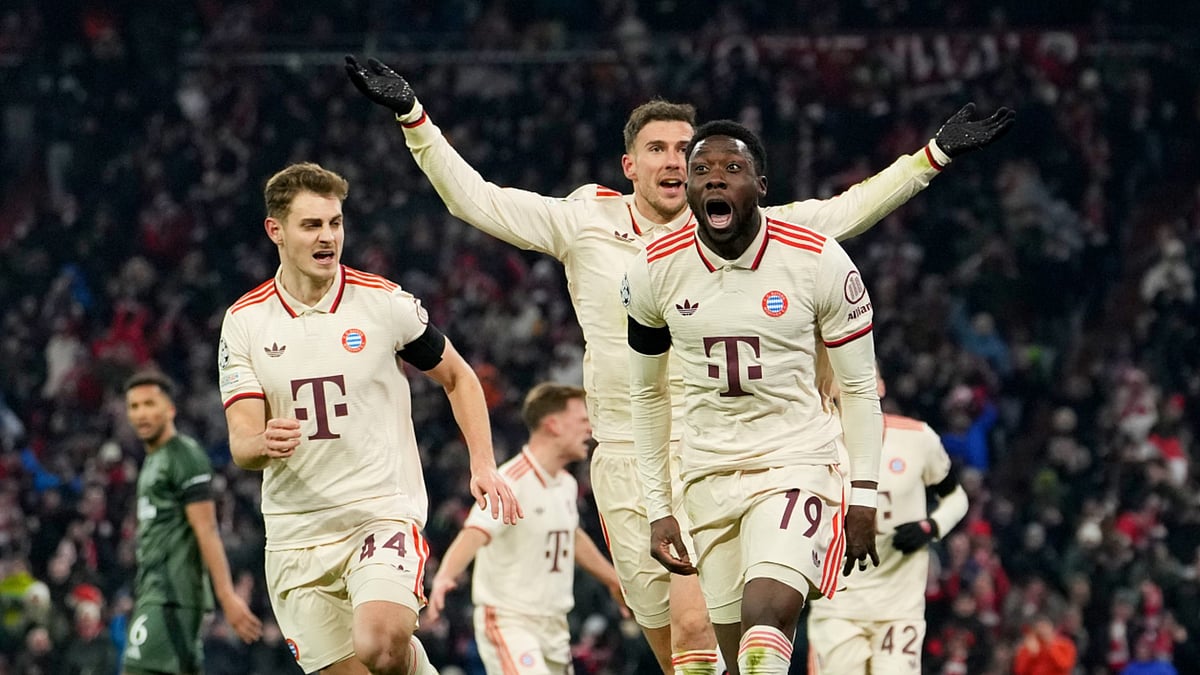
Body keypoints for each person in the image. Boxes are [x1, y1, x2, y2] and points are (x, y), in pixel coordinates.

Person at [345, 54, 1013, 675]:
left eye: (683, 150)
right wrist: (414, 117)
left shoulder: (736, 228)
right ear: (630, 165)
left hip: (717, 447)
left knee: (702, 624)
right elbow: (476, 199)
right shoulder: (584, 222)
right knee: (676, 646)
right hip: (627, 458)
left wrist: (932, 156)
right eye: (657, 149)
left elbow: (842, 212)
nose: (674, 161)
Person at [218, 161, 521, 675]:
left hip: (379, 515)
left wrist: (483, 464)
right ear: (276, 231)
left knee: (380, 643)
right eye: (311, 225)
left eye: (335, 223)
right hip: (296, 535)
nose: (327, 237)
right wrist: (264, 441)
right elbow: (242, 443)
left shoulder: (383, 303)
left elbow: (459, 378)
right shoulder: (244, 322)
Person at [623, 119, 884, 675]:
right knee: (738, 658)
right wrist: (659, 506)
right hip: (705, 474)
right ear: (689, 189)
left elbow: (860, 387)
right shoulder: (651, 269)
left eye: (732, 169)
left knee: (765, 636)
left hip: (796, 462)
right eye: (702, 170)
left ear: (761, 185)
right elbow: (646, 396)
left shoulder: (818, 260)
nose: (715, 180)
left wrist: (863, 492)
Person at [425, 383, 626, 674]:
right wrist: (445, 575)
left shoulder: (566, 484)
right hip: (510, 621)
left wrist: (613, 580)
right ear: (553, 425)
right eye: (583, 420)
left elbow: (570, 536)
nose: (590, 429)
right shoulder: (511, 480)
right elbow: (474, 532)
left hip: (555, 625)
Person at [806, 370, 970, 675]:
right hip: (837, 606)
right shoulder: (815, 444)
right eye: (847, 376)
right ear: (831, 389)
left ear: (880, 386)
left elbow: (956, 498)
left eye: (866, 376)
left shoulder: (918, 438)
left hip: (899, 608)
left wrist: (930, 527)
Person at [122, 370, 262, 674]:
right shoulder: (152, 460)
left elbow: (206, 529)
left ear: (169, 409)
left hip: (173, 597)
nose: (141, 413)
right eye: (134, 406)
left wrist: (227, 595)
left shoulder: (184, 456)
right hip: (155, 591)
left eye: (149, 404)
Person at [1013, 614, 1078, 675]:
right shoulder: (1030, 646)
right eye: (1039, 628)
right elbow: (1020, 671)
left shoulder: (1066, 645)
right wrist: (1032, 654)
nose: (1043, 631)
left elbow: (1065, 665)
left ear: (1051, 628)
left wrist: (1050, 647)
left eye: (1045, 627)